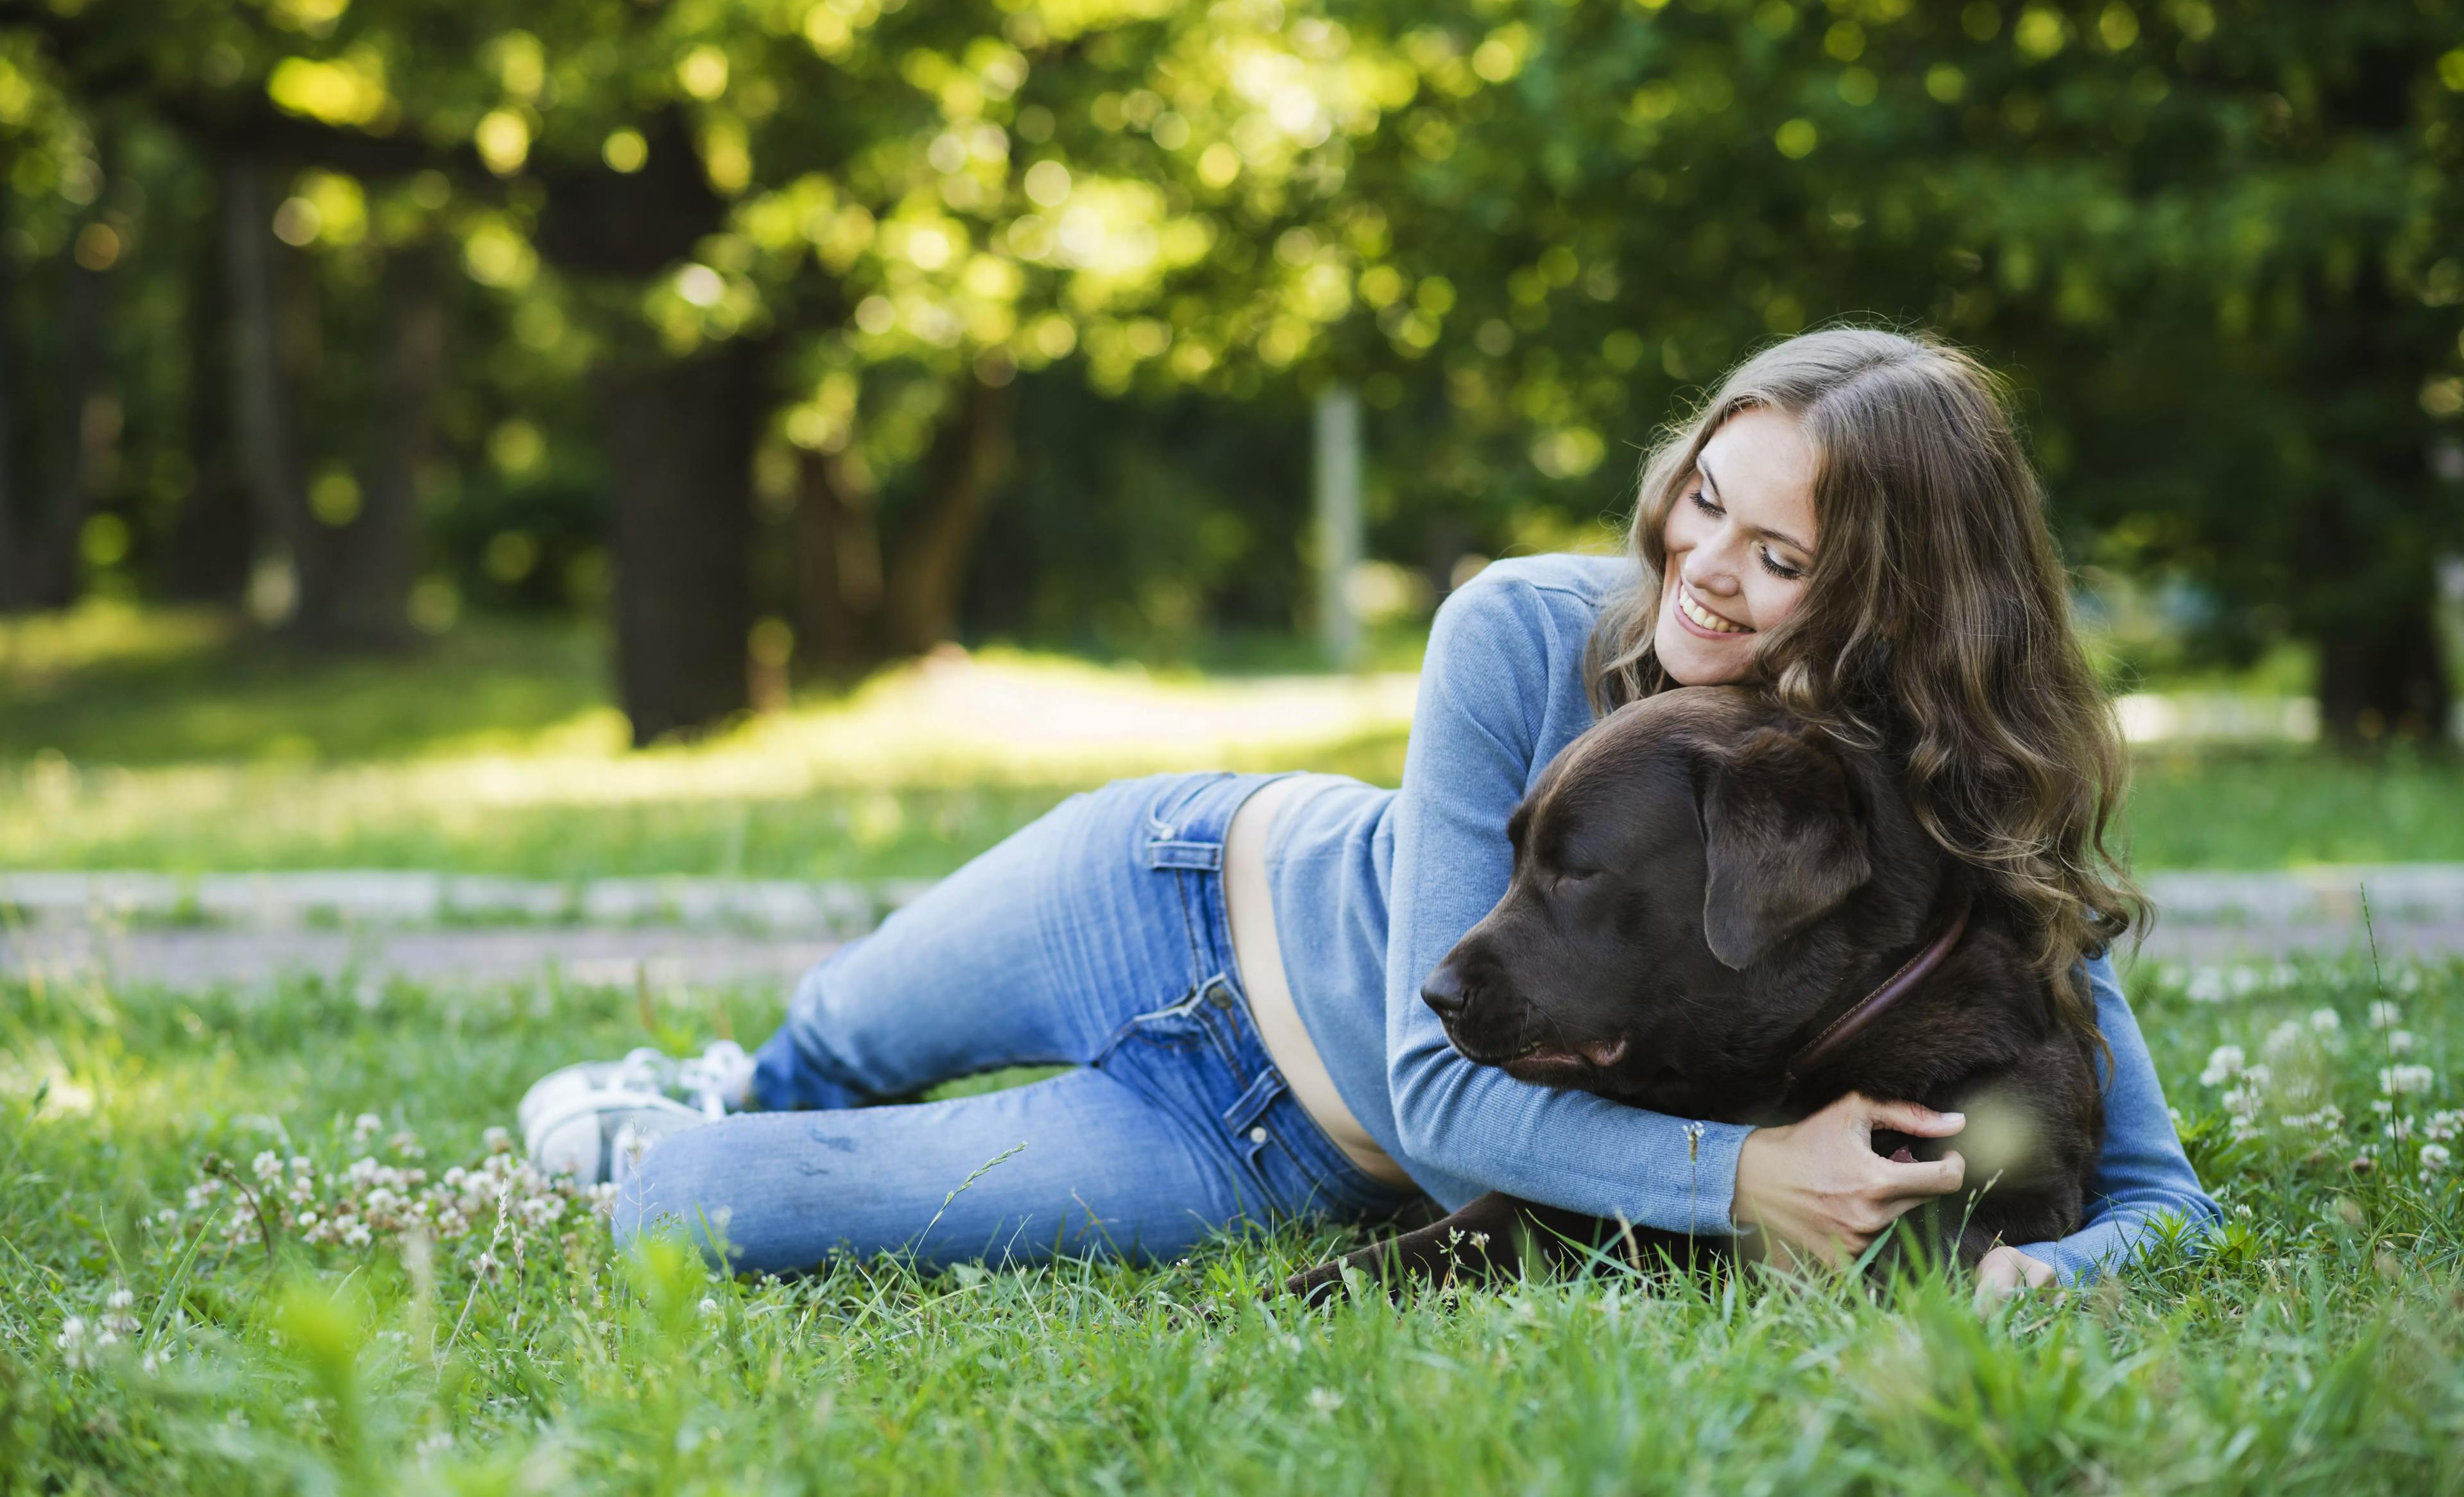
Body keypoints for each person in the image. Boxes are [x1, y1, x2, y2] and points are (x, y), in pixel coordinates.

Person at [522, 326, 2218, 1298]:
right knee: (815, 1057)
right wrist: (1748, 1177)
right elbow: (1447, 1084)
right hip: (1170, 885)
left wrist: (2040, 1275)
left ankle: (678, 1136)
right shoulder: (1522, 631)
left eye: (1780, 556)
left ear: (1899, 602)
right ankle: (707, 1080)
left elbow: (2157, 1195)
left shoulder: (1953, 816)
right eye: (1704, 498)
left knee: (695, 1204)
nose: (1704, 567)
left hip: (1255, 1144)